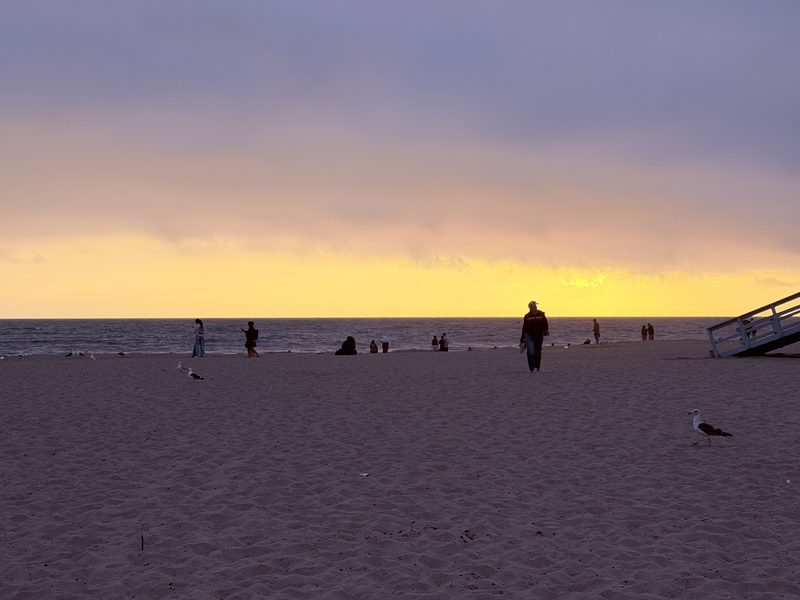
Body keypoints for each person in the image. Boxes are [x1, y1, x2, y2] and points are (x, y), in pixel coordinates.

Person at [520, 300, 549, 372]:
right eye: (534, 306)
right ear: (530, 307)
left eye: (536, 306)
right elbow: (524, 328)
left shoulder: (541, 314)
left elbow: (545, 323)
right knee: (531, 352)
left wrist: (545, 330)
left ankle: (537, 366)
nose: (535, 307)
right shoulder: (527, 316)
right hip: (529, 336)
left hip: (539, 336)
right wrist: (522, 339)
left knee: (538, 351)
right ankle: (531, 368)